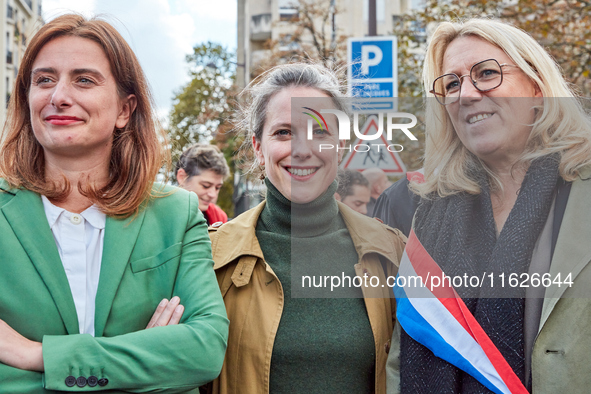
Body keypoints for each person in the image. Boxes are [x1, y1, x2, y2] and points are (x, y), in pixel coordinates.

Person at [0, 14, 228, 393]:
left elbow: (203, 351)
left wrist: (34, 355)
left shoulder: (176, 213)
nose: (59, 96)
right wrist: (143, 362)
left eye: (84, 80)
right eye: (44, 80)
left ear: (125, 110)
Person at [387, 18, 591, 394]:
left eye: (486, 73)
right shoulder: (430, 212)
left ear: (536, 86)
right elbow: (403, 355)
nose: (465, 94)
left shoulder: (583, 189)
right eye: (452, 83)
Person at [207, 63, 406, 394]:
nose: (302, 150)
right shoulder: (210, 258)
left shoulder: (391, 253)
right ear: (258, 147)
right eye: (283, 132)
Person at [176, 143, 230, 225]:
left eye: (217, 188)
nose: (213, 195)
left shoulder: (219, 218)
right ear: (182, 177)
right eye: (206, 186)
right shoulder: (158, 214)